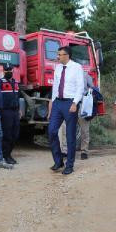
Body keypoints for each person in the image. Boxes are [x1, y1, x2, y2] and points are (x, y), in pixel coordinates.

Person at [47, 46, 84, 175]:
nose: (58, 57)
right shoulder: (57, 68)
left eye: (60, 54)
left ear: (67, 55)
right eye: (58, 54)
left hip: (70, 103)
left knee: (70, 135)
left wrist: (75, 103)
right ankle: (58, 162)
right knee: (51, 131)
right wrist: (51, 103)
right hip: (58, 103)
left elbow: (80, 87)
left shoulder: (77, 68)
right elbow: (55, 86)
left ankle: (70, 165)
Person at [58, 70, 95, 160]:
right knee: (65, 128)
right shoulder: (66, 74)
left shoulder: (85, 75)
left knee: (84, 129)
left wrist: (89, 95)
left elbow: (92, 87)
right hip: (69, 104)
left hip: (82, 104)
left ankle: (84, 151)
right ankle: (65, 151)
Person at [0, 64, 20, 165]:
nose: (8, 72)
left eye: (10, 70)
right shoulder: (0, 82)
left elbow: (17, 97)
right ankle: (6, 156)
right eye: (6, 70)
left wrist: (19, 110)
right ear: (3, 71)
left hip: (15, 111)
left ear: (13, 70)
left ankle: (8, 154)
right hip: (5, 111)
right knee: (7, 135)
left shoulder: (16, 83)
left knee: (15, 134)